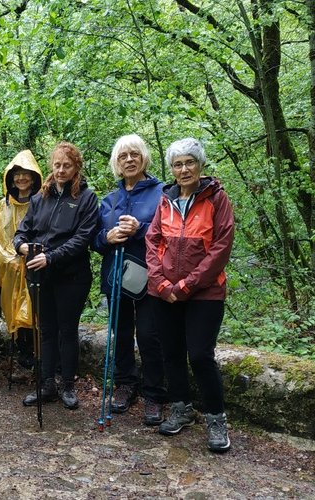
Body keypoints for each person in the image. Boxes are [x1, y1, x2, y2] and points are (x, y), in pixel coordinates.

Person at [146, 138, 234, 453]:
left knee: (199, 355)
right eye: (178, 164)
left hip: (204, 292)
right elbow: (152, 240)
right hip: (164, 292)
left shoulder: (217, 199)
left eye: (189, 163)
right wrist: (160, 283)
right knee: (170, 351)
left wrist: (186, 285)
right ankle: (181, 407)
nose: (184, 169)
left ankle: (215, 418)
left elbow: (220, 249)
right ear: (171, 168)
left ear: (200, 165)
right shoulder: (165, 199)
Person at [14, 142, 99, 410]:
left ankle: (68, 386)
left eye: (67, 166)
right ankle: (46, 384)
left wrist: (51, 256)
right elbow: (22, 231)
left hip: (71, 276)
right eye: (57, 165)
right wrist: (21, 245)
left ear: (76, 168)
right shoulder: (40, 198)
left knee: (67, 330)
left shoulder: (86, 198)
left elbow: (82, 238)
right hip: (39, 275)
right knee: (46, 330)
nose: (61, 170)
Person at [92, 134, 166, 425]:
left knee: (149, 335)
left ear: (144, 158)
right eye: (123, 156)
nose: (129, 160)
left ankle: (154, 393)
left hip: (150, 277)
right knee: (120, 333)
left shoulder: (162, 193)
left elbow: (168, 234)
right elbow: (94, 241)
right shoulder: (109, 200)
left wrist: (141, 229)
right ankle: (124, 384)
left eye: (134, 154)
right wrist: (106, 237)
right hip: (117, 275)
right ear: (116, 164)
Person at [0, 151, 43, 380]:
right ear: (11, 179)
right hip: (13, 269)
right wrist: (11, 260)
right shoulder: (3, 206)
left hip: (38, 264)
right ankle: (24, 356)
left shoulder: (43, 201)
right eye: (18, 175)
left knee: (37, 311)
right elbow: (1, 239)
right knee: (16, 311)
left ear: (34, 178)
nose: (22, 179)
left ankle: (41, 358)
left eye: (26, 174)